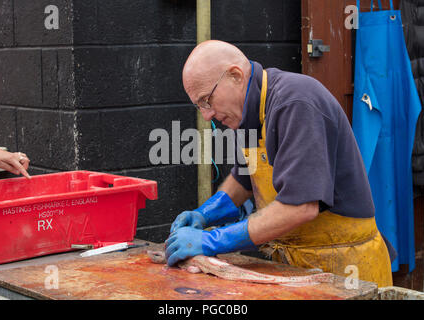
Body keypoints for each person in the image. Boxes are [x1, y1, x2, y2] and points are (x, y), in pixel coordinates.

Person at [166, 40, 394, 287]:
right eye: (199, 106)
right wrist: (204, 214)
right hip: (296, 266)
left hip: (347, 267)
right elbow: (244, 179)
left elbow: (301, 207)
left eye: (207, 100)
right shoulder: (245, 113)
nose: (207, 115)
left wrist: (214, 240)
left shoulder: (295, 102)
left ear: (235, 76)